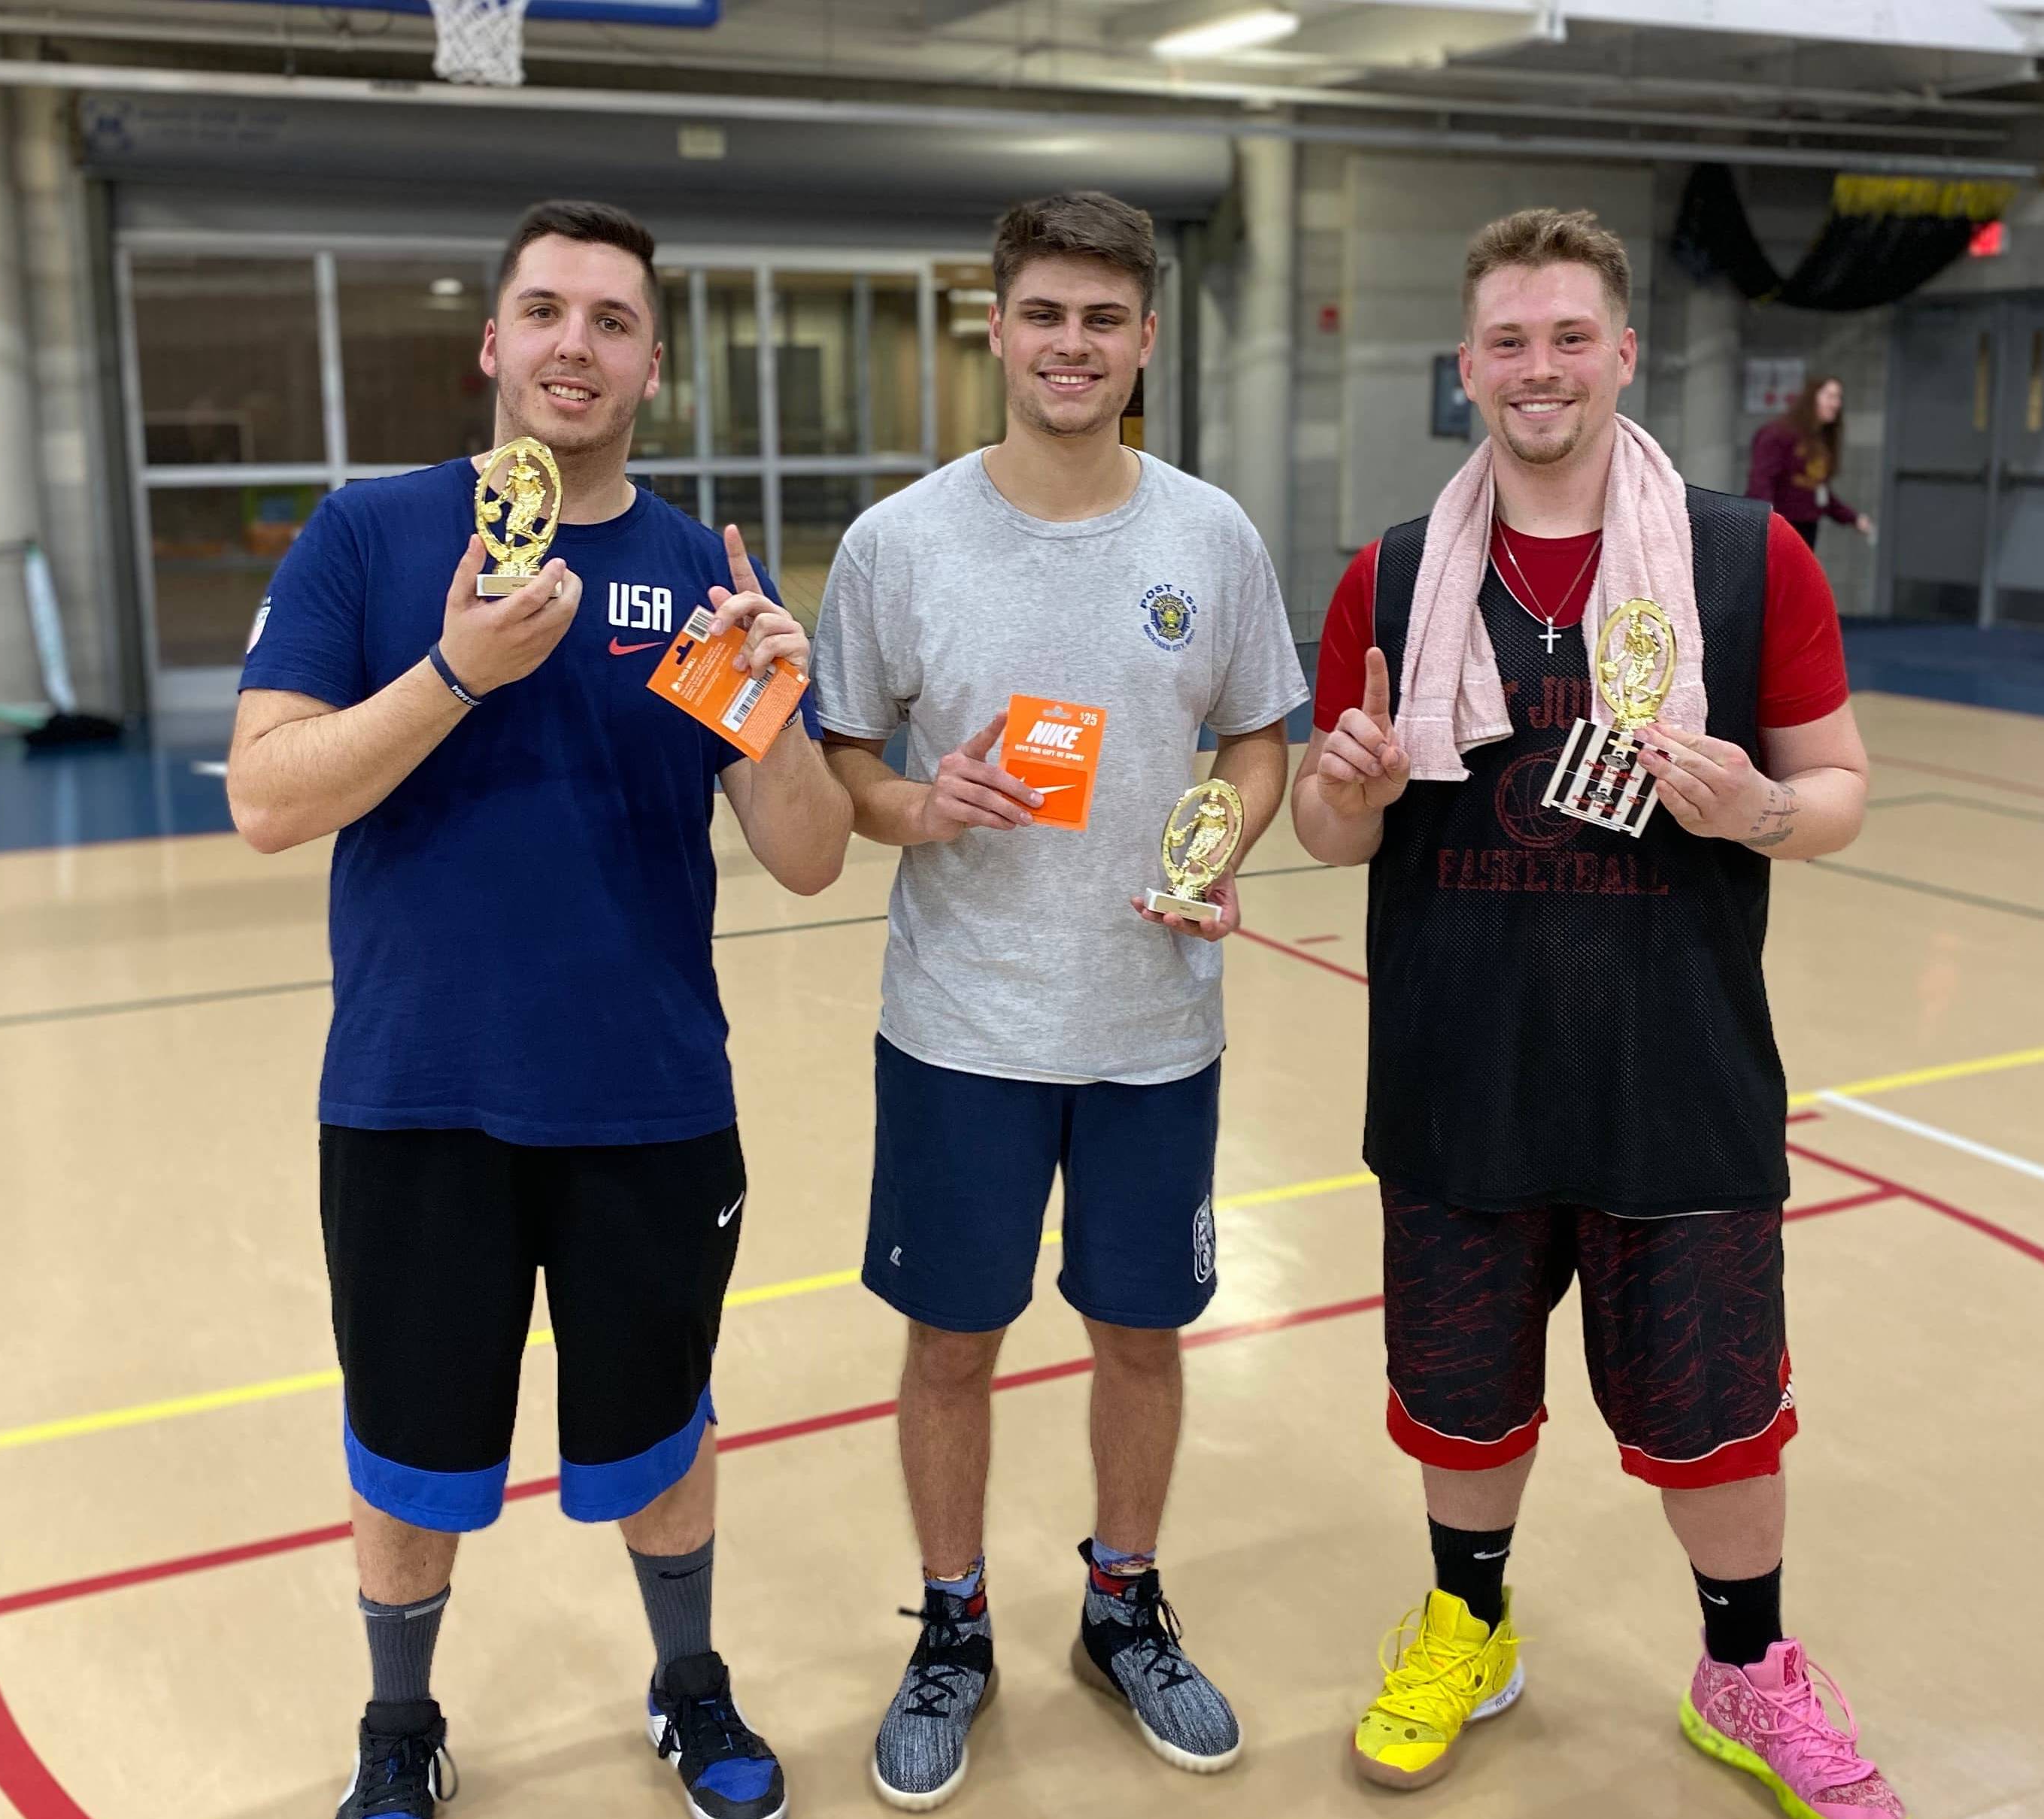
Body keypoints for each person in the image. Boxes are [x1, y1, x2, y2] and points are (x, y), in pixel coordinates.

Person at [227, 199, 851, 1819]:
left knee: (661, 1421)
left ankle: (690, 1684)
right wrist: (452, 677)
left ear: (651, 365)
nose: (577, 343)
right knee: (412, 1439)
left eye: (614, 320)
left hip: (648, 1096)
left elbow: (804, 857)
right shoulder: (371, 536)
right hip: (414, 1090)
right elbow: (268, 798)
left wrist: (773, 712)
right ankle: (399, 1721)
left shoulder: (695, 569)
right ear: (493, 344)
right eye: (547, 312)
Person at [1293, 208, 1903, 1819]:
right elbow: (1331, 830)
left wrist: (1757, 811)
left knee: (1721, 1420)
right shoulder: (1398, 576)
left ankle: (1747, 1674)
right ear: (1468, 367)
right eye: (1508, 340)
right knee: (1460, 1394)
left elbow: (1839, 786)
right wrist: (1336, 785)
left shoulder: (1742, 558)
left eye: (1570, 336)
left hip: (1678, 1069)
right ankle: (1468, 1627)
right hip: (1458, 1072)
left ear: (1624, 354)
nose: (1538, 367)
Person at [811, 189, 1308, 1811]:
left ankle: (1122, 1605)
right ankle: (952, 1629)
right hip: (960, 1027)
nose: (1072, 344)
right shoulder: (901, 544)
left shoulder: (1211, 538)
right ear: (998, 328)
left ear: (1146, 340)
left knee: (1141, 1332)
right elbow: (845, 770)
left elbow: (1257, 739)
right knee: (953, 1343)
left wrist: (1223, 832)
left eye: (1104, 318)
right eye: (1045, 314)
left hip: (1156, 1028)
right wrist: (915, 806)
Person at [1747, 374, 1874, 553]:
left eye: (1838, 398)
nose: (1836, 404)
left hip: (1805, 529)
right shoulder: (1778, 434)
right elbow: (1761, 482)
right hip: (1779, 527)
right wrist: (1767, 524)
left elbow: (1819, 493)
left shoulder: (1820, 441)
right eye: (1830, 396)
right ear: (1812, 397)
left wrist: (1854, 519)